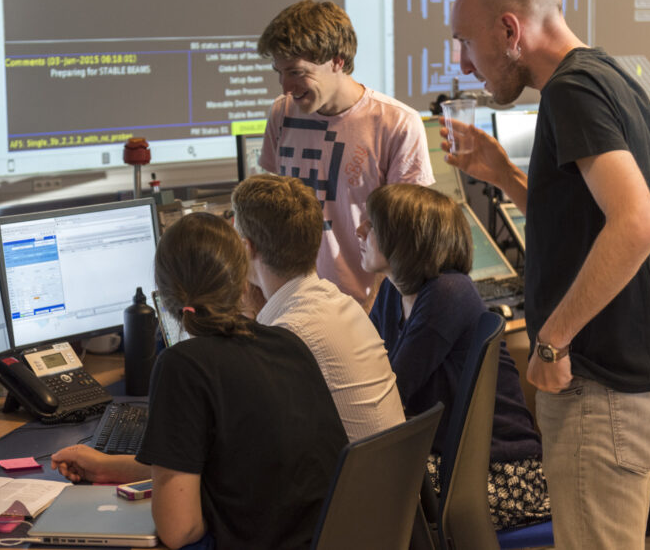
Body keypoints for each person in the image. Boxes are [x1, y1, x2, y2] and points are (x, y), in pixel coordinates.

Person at [444, 0, 650, 549]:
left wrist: (552, 339)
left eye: (466, 43)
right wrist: (506, 178)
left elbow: (636, 225)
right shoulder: (608, 72)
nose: (463, 63)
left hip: (602, 393)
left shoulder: (570, 92)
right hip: (637, 378)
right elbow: (589, 220)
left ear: (510, 30)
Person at [51, 212, 347, 550]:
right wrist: (106, 468)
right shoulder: (287, 343)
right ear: (240, 282)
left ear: (164, 294)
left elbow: (180, 531)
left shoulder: (182, 366)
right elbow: (216, 470)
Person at [358, 182, 549, 530]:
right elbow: (365, 370)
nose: (359, 231)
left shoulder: (448, 292)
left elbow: (389, 393)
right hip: (447, 461)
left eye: (371, 225)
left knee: (360, 486)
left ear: (406, 238)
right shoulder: (391, 290)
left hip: (501, 472)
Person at [256, 0, 434, 307]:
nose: (285, 86)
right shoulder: (281, 113)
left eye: (296, 72)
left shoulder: (396, 123)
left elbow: (405, 239)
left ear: (337, 61)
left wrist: (374, 313)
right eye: (279, 72)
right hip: (292, 305)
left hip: (363, 308)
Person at [231, 173, 405, 442]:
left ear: (246, 247)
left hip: (348, 483)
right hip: (390, 479)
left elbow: (238, 440)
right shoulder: (341, 304)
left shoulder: (287, 335)